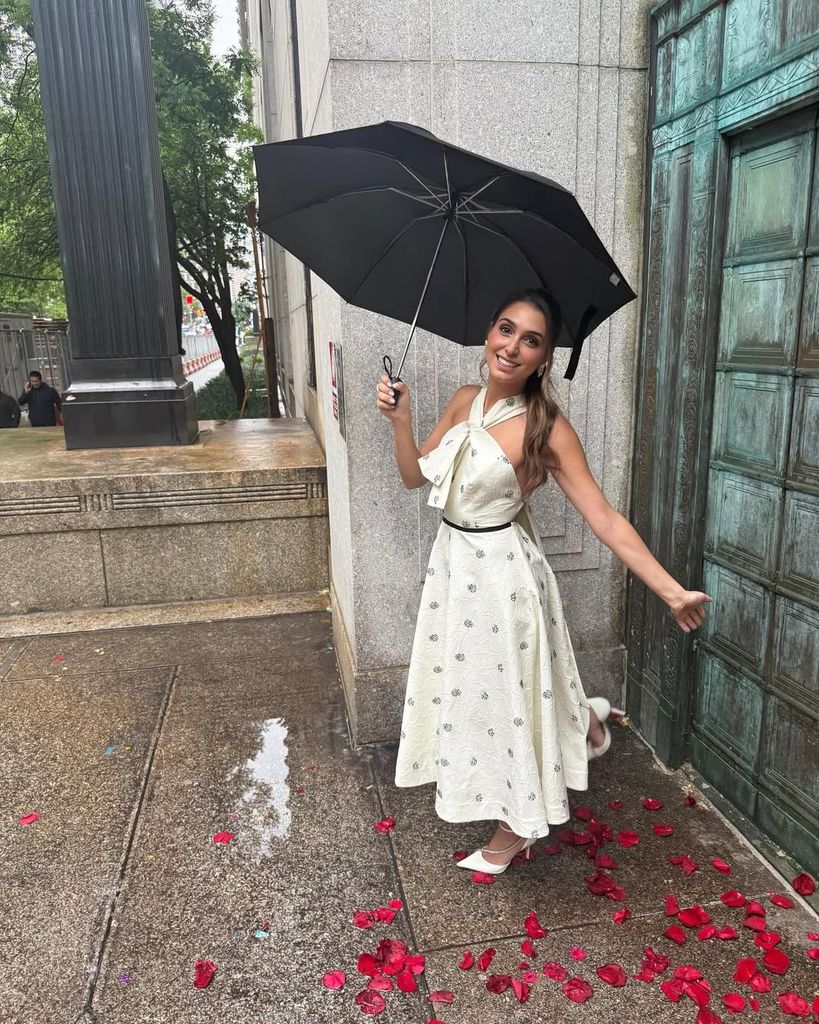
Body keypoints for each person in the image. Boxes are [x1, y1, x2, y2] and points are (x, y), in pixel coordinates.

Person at [376, 288, 711, 875]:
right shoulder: (462, 400)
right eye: (506, 330)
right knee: (476, 690)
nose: (513, 347)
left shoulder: (547, 427)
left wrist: (670, 590)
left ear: (544, 358)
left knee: (505, 699)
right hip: (453, 569)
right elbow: (413, 477)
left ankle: (513, 829)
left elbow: (603, 518)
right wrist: (401, 421)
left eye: (531, 340)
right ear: (489, 333)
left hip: (502, 579)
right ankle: (585, 722)